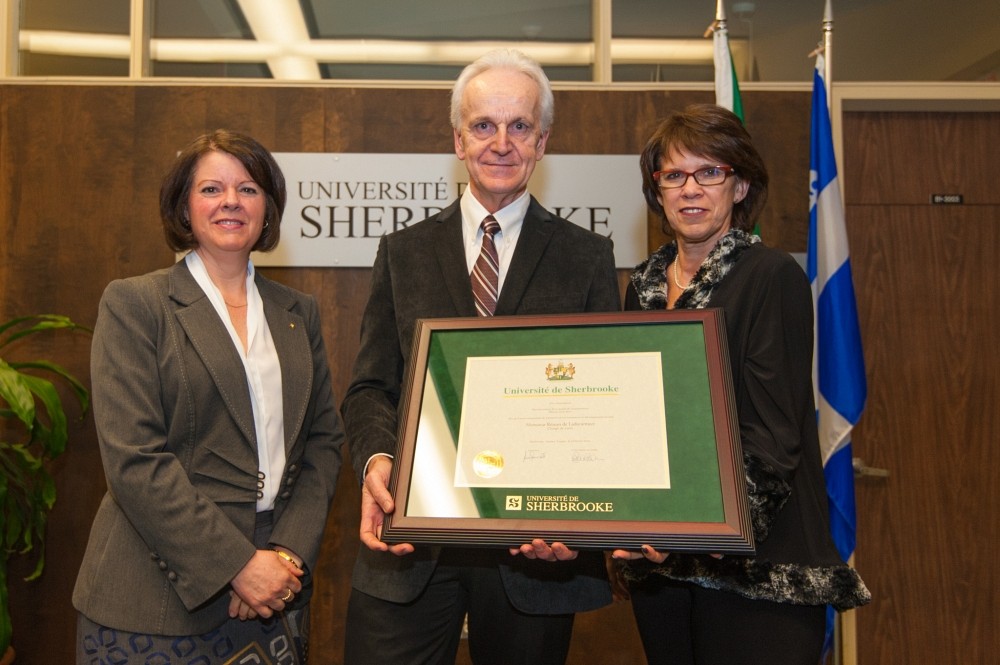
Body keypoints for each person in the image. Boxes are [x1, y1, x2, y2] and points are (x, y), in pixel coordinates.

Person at [341, 48, 619, 665]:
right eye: (483, 125)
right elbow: (371, 387)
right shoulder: (404, 252)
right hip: (410, 540)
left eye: (519, 126)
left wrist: (581, 518)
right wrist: (379, 461)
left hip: (536, 550)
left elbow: (603, 405)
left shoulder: (586, 258)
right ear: (458, 140)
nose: (501, 143)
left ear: (542, 142)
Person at [612, 104, 871, 664]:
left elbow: (775, 437)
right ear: (657, 190)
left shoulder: (771, 276)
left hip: (757, 570)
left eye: (710, 172)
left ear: (741, 185)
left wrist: (702, 532)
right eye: (674, 175)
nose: (691, 189)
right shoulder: (644, 286)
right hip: (661, 568)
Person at [73, 130, 344, 664]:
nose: (230, 202)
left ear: (268, 208)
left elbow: (323, 442)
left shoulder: (297, 312)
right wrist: (236, 565)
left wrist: (285, 555)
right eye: (211, 189)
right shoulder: (136, 304)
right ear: (184, 207)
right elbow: (134, 459)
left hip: (274, 590)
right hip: (154, 599)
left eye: (248, 189)